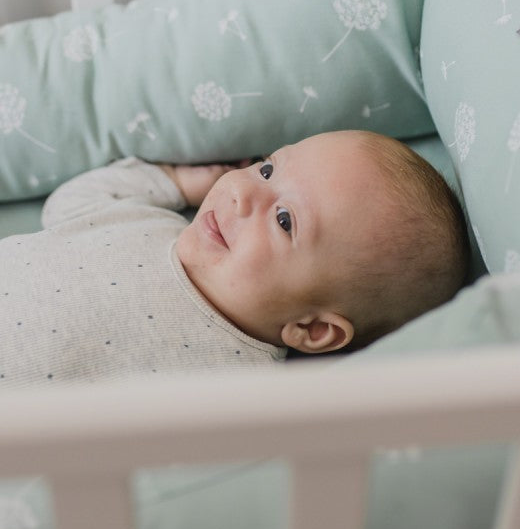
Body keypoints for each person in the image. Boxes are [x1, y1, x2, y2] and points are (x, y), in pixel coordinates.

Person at [0, 130, 470, 385]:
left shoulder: (239, 395)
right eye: (267, 169)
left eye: (285, 220)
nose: (243, 192)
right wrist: (176, 182)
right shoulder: (145, 222)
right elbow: (66, 207)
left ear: (313, 328)